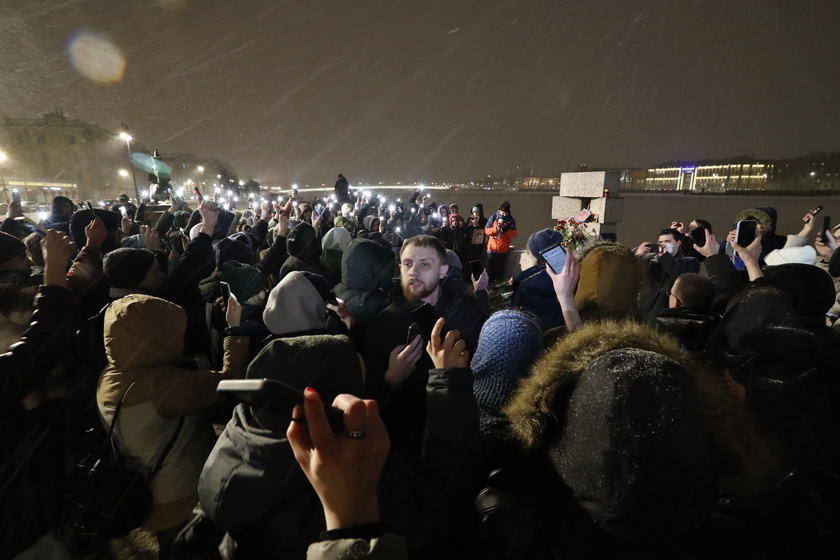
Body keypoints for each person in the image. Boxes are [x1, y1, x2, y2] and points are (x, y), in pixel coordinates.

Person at [96, 292, 249, 556]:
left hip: (150, 491)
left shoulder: (112, 373)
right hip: (183, 497)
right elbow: (229, 380)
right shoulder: (162, 386)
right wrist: (234, 327)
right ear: (152, 339)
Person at [635, 228, 700, 323]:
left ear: (678, 243)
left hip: (668, 312)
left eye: (667, 241)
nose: (663, 244)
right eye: (660, 242)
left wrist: (665, 257)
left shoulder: (689, 261)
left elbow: (682, 279)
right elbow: (634, 276)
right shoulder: (650, 260)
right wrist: (637, 257)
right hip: (646, 309)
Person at [484, 201, 517, 283]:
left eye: (505, 213)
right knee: (490, 272)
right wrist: (495, 229)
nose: (503, 214)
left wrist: (506, 230)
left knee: (499, 273)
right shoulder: (493, 218)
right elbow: (486, 231)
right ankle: (490, 288)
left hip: (503, 251)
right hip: (491, 250)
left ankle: (498, 289)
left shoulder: (511, 221)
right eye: (502, 212)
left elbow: (514, 233)